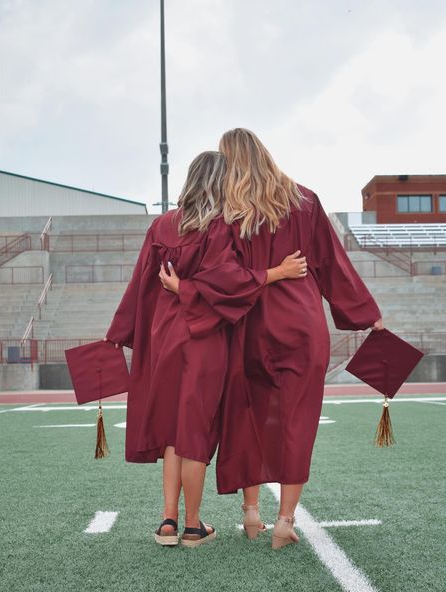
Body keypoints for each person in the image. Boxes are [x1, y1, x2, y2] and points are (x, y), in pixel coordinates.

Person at [164, 129, 383, 550]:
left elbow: (220, 274)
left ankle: (251, 514)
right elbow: (332, 265)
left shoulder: (229, 211)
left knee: (250, 417)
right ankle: (285, 520)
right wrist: (368, 316)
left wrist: (184, 291)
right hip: (301, 325)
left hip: (248, 325)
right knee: (298, 420)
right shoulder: (304, 200)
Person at [104, 150, 306, 548]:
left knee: (170, 432)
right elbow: (231, 281)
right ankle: (193, 526)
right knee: (193, 431)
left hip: (163, 338)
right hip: (202, 338)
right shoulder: (218, 229)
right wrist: (277, 272)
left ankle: (168, 522)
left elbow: (141, 282)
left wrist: (121, 331)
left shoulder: (161, 226)